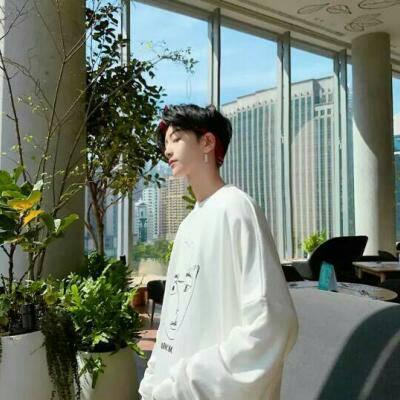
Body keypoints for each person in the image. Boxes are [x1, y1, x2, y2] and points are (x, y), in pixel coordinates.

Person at [138, 104, 299, 400]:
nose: (167, 150)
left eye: (176, 138)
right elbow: (174, 317)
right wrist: (152, 384)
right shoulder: (188, 225)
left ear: (207, 142)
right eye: (166, 142)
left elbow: (272, 323)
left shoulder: (236, 208)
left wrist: (190, 382)